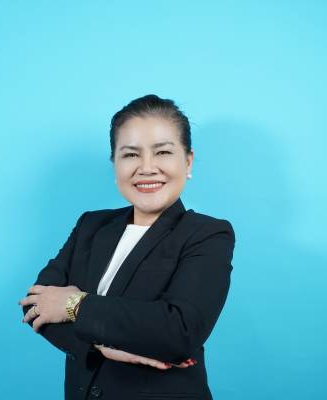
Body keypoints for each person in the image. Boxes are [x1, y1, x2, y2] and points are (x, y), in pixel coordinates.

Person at [18, 94, 235, 400]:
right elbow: (36, 303)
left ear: (188, 161)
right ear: (114, 163)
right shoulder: (91, 225)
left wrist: (74, 304)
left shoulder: (207, 234)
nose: (147, 168)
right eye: (131, 154)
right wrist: (99, 347)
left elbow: (178, 332)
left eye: (162, 152)